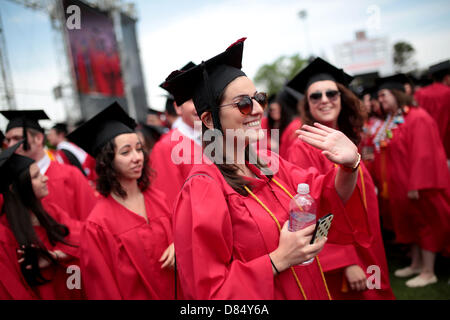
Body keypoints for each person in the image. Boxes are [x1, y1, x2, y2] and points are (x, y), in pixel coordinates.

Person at [162, 38, 361, 300]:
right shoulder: (204, 187)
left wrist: (350, 165)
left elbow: (326, 196)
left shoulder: (269, 164)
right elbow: (208, 294)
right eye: (243, 103)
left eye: (259, 98)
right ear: (210, 120)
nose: (257, 109)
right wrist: (277, 261)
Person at [285, 57, 394, 299]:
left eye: (331, 93)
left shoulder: (346, 137)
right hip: (343, 252)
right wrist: (346, 261)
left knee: (378, 288)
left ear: (341, 97)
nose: (324, 99)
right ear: (307, 103)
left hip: (367, 240)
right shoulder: (302, 148)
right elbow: (309, 208)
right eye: (316, 96)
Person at [67, 102, 176, 299]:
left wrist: (179, 245)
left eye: (139, 148)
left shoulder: (159, 199)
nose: (137, 157)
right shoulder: (97, 225)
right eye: (125, 152)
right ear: (107, 161)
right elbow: (102, 290)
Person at [375, 76, 450, 287]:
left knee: (426, 225)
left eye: (383, 95)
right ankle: (416, 264)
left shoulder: (418, 118)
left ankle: (428, 271)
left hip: (417, 186)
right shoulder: (396, 119)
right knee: (411, 225)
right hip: (400, 185)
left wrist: (417, 184)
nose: (380, 100)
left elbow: (423, 154)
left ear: (397, 95)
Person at [0, 141, 83, 299]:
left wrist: (55, 256)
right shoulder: (6, 235)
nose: (45, 178)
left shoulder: (50, 211)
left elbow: (84, 238)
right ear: (14, 187)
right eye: (36, 176)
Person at [1, 110, 97, 221]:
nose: (11, 145)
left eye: (17, 138)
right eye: (8, 140)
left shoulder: (70, 175)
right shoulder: (11, 184)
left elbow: (91, 223)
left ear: (38, 138)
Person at [150, 61, 203, 214]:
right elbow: (171, 204)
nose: (200, 105)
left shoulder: (218, 138)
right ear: (178, 107)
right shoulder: (166, 148)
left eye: (204, 97)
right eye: (192, 100)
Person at [414, 60, 450, 164]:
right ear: (447, 77)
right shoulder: (448, 93)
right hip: (447, 150)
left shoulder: (420, 94)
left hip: (426, 150)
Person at [47, 122, 97, 187]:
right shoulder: (73, 145)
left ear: (60, 135)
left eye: (51, 135)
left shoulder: (62, 152)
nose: (48, 137)